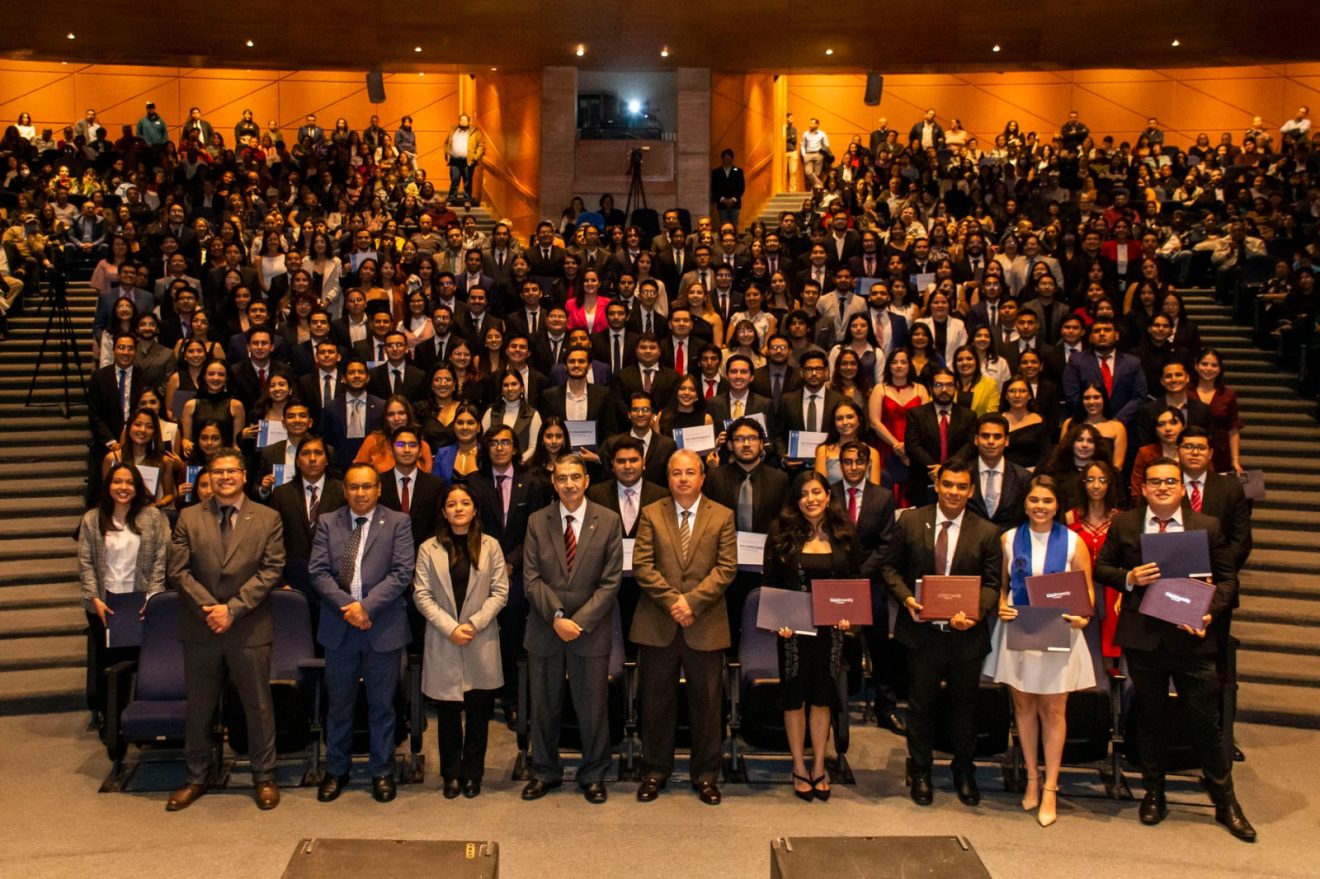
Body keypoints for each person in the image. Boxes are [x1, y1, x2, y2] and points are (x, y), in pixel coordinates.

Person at [1094, 459, 1255, 842]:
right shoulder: (1126, 524)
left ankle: (1225, 801)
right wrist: (1128, 577)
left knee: (1206, 722)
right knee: (1150, 718)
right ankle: (1154, 792)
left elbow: (1228, 579)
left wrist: (1208, 614)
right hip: (1144, 636)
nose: (1163, 487)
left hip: (1192, 637)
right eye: (1155, 481)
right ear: (1143, 489)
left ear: (1182, 488)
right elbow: (1101, 567)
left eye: (1170, 481)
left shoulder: (1206, 526)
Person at [166, 449, 286, 812]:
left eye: (231, 471)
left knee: (258, 707)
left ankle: (264, 776)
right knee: (200, 708)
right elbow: (178, 571)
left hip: (248, 626)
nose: (225, 477)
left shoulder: (268, 517)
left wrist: (232, 610)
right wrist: (212, 610)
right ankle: (196, 777)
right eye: (218, 472)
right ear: (210, 477)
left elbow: (272, 569)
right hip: (201, 626)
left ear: (244, 476)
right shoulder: (189, 517)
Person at [880, 459, 1003, 806]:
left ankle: (964, 771)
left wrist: (975, 614)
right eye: (947, 484)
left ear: (971, 491)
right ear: (937, 485)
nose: (953, 492)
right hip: (922, 633)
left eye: (961, 486)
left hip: (966, 635)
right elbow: (889, 568)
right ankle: (921, 772)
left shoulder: (987, 532)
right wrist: (906, 598)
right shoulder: (910, 521)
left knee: (964, 707)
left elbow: (992, 585)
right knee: (921, 706)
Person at [984, 475, 1095, 827]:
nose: (1040, 507)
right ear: (1025, 503)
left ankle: (1051, 787)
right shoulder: (1008, 539)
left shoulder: (1074, 541)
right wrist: (1001, 604)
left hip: (1059, 631)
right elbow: (1001, 587)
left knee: (1054, 710)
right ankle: (1032, 777)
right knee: (1023, 706)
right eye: (1034, 500)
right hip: (1020, 628)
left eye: (1047, 501)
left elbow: (1087, 591)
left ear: (1057, 504)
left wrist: (1082, 617)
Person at [631, 449, 738, 805]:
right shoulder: (651, 513)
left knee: (707, 706)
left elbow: (726, 568)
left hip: (705, 623)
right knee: (655, 703)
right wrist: (674, 603)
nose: (683, 479)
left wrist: (691, 602)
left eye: (690, 472)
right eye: (676, 473)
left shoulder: (722, 515)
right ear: (668, 478)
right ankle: (653, 772)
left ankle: (706, 775)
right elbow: (643, 566)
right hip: (657, 623)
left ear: (702, 477)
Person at [307, 464, 415, 804]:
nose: (361, 492)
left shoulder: (398, 522)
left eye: (367, 486)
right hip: (340, 627)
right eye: (354, 487)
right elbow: (318, 572)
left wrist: (366, 608)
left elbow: (402, 573)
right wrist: (350, 609)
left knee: (382, 707)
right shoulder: (328, 522)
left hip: (382, 627)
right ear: (345, 491)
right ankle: (336, 770)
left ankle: (381, 771)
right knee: (339, 707)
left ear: (378, 489)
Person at [520, 454, 624, 804]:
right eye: (562, 478)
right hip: (545, 627)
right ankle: (544, 771)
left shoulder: (608, 520)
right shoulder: (537, 521)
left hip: (589, 631)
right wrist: (557, 616)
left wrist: (578, 622)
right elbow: (531, 578)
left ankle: (593, 774)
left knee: (593, 708)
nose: (569, 484)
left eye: (575, 477)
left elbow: (611, 582)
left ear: (586, 481)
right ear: (553, 482)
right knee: (544, 706)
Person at [763, 471, 860, 801]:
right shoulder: (780, 533)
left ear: (828, 496)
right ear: (796, 500)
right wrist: (778, 620)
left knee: (822, 698)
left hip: (831, 633)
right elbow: (771, 582)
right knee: (794, 699)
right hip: (792, 632)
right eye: (803, 494)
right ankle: (798, 766)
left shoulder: (844, 533)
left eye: (816, 492)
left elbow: (854, 580)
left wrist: (850, 616)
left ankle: (819, 764)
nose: (811, 499)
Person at [412, 483, 509, 798]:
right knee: (449, 713)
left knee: (479, 712)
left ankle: (473, 774)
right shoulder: (428, 548)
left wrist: (474, 624)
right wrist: (451, 628)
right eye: (452, 504)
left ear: (475, 508)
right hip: (444, 639)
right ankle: (451, 774)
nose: (458, 509)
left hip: (480, 638)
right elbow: (422, 595)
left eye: (464, 503)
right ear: (443, 511)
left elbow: (500, 592)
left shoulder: (491, 546)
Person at [77, 463, 169, 722]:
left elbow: (161, 559)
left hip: (141, 603)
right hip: (104, 603)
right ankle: (109, 719)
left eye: (129, 482)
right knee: (107, 662)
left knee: (139, 660)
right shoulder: (92, 518)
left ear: (137, 487)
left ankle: (138, 718)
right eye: (117, 481)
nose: (123, 487)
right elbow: (85, 561)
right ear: (108, 486)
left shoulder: (152, 517)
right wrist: (95, 598)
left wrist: (153, 597)